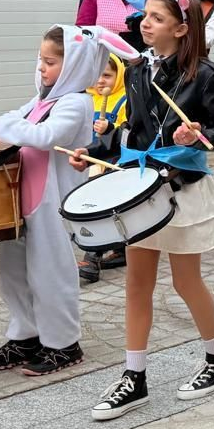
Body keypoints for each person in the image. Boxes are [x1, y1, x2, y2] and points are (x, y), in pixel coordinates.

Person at [71, 0, 214, 420]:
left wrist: (198, 134)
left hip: (180, 189)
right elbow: (133, 131)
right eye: (145, 16)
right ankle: (135, 376)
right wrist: (97, 149)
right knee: (136, 283)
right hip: (139, 188)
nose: (146, 23)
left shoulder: (204, 74)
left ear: (181, 29)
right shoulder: (136, 70)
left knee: (186, 283)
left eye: (158, 18)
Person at [0, 25, 128, 376]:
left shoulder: (76, 103)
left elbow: (44, 136)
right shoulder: (42, 101)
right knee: (10, 270)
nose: (42, 67)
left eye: (51, 61)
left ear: (74, 66)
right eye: (41, 59)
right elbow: (14, 123)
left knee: (50, 273)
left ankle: (63, 344)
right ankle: (26, 336)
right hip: (24, 201)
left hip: (53, 205)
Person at [79, 56, 131, 283]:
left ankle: (91, 257)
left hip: (115, 161)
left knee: (100, 207)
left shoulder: (125, 100)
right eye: (96, 75)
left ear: (119, 75)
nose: (100, 81)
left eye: (107, 75)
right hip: (89, 161)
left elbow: (131, 132)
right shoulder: (85, 100)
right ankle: (120, 249)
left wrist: (111, 127)